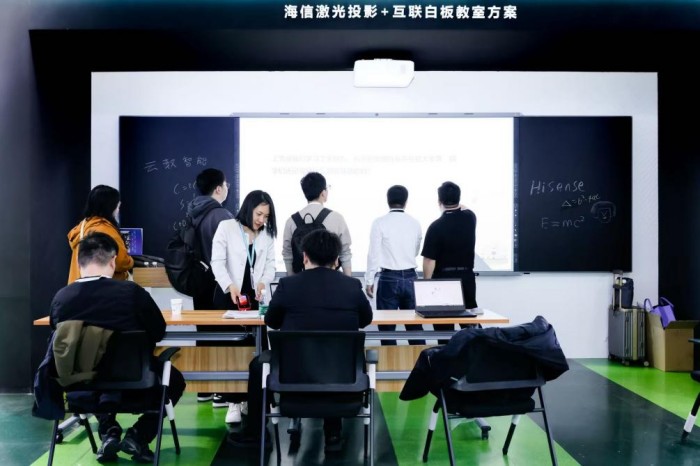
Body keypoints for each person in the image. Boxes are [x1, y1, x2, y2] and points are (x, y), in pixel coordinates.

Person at [228, 229, 373, 453]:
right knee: (333, 358)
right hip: (343, 382)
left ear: (305, 257)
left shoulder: (288, 285)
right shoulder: (352, 286)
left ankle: (256, 434)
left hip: (293, 381)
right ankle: (333, 433)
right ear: (336, 260)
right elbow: (366, 320)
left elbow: (272, 321)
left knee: (258, 365)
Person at [50, 232, 186, 463]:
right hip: (137, 384)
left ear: (79, 263)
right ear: (113, 261)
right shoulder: (131, 293)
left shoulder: (61, 299)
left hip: (83, 386)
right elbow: (158, 331)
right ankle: (138, 436)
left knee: (97, 373)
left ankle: (109, 431)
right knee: (175, 381)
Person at [210, 190, 277, 423]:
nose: (261, 220)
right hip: (230, 295)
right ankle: (233, 402)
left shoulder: (266, 234)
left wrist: (263, 281)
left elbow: (271, 265)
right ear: (248, 209)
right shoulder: (227, 227)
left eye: (266, 216)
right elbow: (217, 262)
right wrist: (229, 285)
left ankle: (253, 399)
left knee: (255, 349)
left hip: (255, 298)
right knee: (231, 350)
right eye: (259, 214)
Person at [186, 168, 234, 407]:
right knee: (223, 336)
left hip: (199, 282)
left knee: (204, 334)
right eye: (226, 184)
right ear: (218, 188)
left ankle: (203, 389)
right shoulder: (222, 215)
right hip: (219, 285)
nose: (227, 188)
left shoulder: (192, 212)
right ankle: (221, 393)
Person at [365, 185, 425, 345]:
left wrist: (369, 280)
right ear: (406, 201)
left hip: (389, 278)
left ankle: (389, 361)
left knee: (387, 329)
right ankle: (422, 360)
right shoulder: (415, 223)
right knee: (415, 328)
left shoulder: (379, 223)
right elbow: (415, 251)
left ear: (388, 200)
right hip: (411, 277)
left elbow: (374, 254)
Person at [422, 181, 478, 343]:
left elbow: (429, 260)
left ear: (439, 201)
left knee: (443, 329)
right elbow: (465, 208)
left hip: (443, 281)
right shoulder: (470, 218)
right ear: (459, 199)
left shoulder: (435, 227)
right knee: (469, 327)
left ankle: (445, 355)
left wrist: (427, 284)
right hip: (467, 279)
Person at [282, 171, 353, 276]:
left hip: (302, 279)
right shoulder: (337, 218)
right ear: (323, 193)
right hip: (331, 280)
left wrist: (292, 281)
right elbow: (345, 253)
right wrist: (349, 281)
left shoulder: (291, 221)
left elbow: (287, 254)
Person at [67, 185, 134, 284]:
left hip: (80, 286)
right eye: (117, 206)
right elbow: (121, 262)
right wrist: (131, 260)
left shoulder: (83, 226)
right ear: (110, 207)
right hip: (105, 287)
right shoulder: (105, 230)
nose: (118, 210)